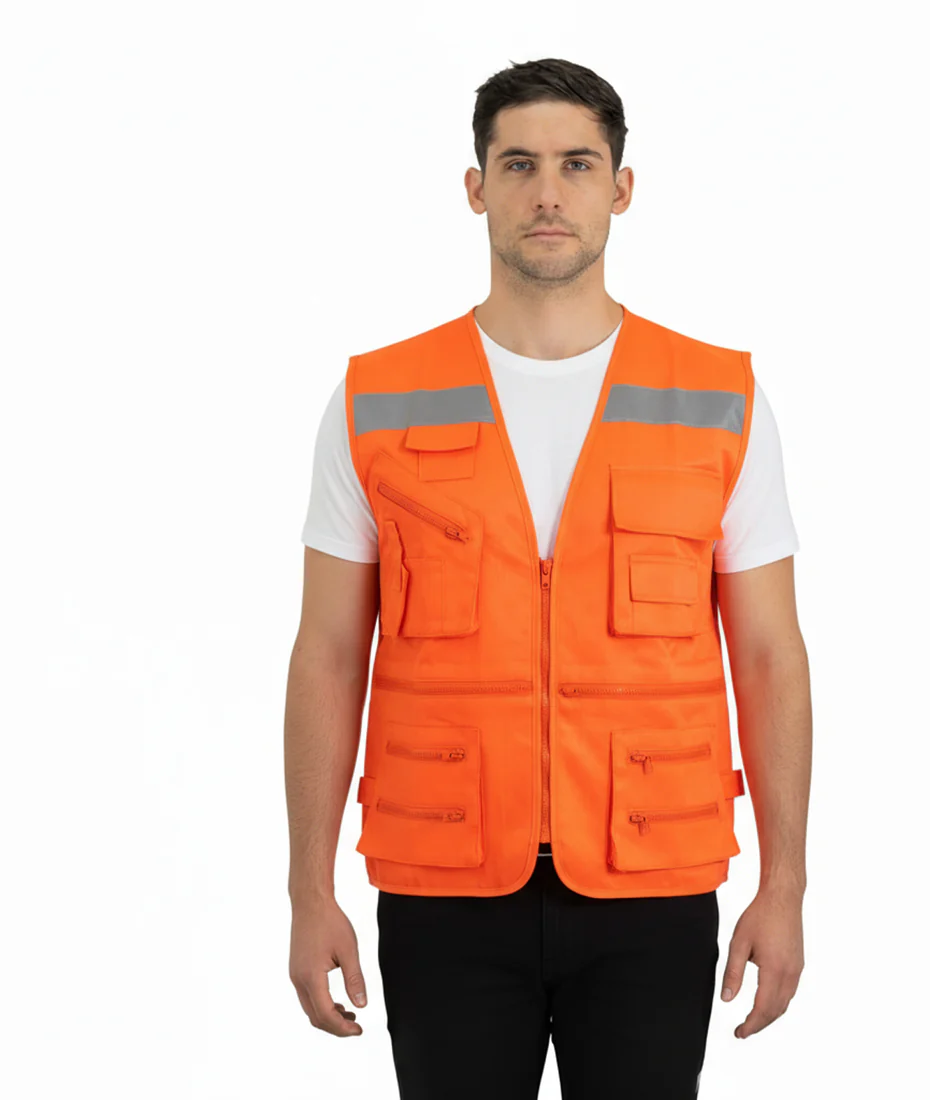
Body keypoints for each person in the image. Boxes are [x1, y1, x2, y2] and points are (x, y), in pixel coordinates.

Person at [285, 57, 811, 1099]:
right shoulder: (376, 397)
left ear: (622, 187)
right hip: (443, 886)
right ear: (475, 187)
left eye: (577, 164)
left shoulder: (718, 397)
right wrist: (308, 889)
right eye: (518, 164)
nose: (547, 192)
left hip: (652, 880)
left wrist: (784, 882)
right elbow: (328, 654)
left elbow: (767, 654)